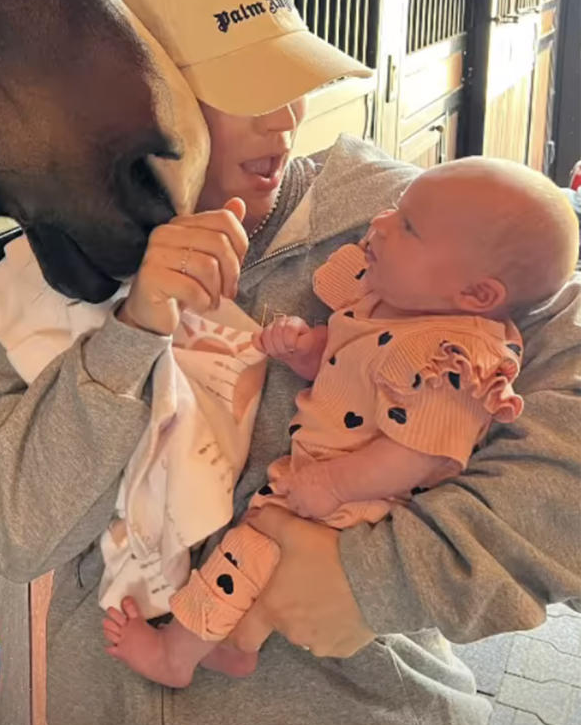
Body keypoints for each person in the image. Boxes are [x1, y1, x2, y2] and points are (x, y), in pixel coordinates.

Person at [0, 0, 581, 725]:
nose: (285, 119)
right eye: (239, 93)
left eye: (287, 78)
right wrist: (129, 330)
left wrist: (379, 576)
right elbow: (10, 530)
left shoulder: (416, 227)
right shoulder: (63, 273)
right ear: (134, 90)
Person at [102, 157, 578, 687]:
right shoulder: (389, 301)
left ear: (477, 295)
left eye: (408, 227)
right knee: (261, 556)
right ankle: (237, 640)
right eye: (396, 209)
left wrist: (332, 484)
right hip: (321, 479)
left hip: (358, 502)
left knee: (252, 546)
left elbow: (419, 453)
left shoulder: (456, 359)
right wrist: (305, 349)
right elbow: (347, 364)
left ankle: (178, 653)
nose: (379, 222)